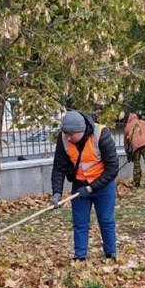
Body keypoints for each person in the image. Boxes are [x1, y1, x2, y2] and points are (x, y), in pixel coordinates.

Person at [51, 111, 119, 261]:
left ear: (81, 131)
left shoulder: (101, 134)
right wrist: (57, 193)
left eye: (71, 134)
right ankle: (80, 256)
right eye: (66, 133)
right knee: (79, 223)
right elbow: (59, 167)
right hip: (79, 186)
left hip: (103, 186)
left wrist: (91, 188)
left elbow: (113, 167)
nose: (68, 137)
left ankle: (110, 253)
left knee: (106, 220)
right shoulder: (63, 138)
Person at [124, 113, 145, 188]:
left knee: (136, 164)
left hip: (135, 146)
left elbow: (126, 143)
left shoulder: (128, 127)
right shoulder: (143, 122)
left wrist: (128, 155)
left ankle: (137, 182)